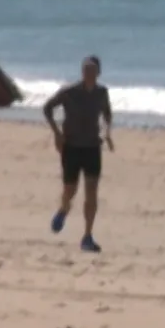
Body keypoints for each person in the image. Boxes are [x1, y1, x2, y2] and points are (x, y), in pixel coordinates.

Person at [44, 56, 114, 253]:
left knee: (91, 193)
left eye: (92, 70)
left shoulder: (102, 93)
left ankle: (87, 236)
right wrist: (57, 133)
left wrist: (107, 132)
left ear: (98, 73)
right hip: (72, 147)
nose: (88, 74)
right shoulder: (69, 92)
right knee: (70, 190)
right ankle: (63, 209)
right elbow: (47, 108)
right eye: (85, 70)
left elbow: (107, 113)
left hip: (92, 147)